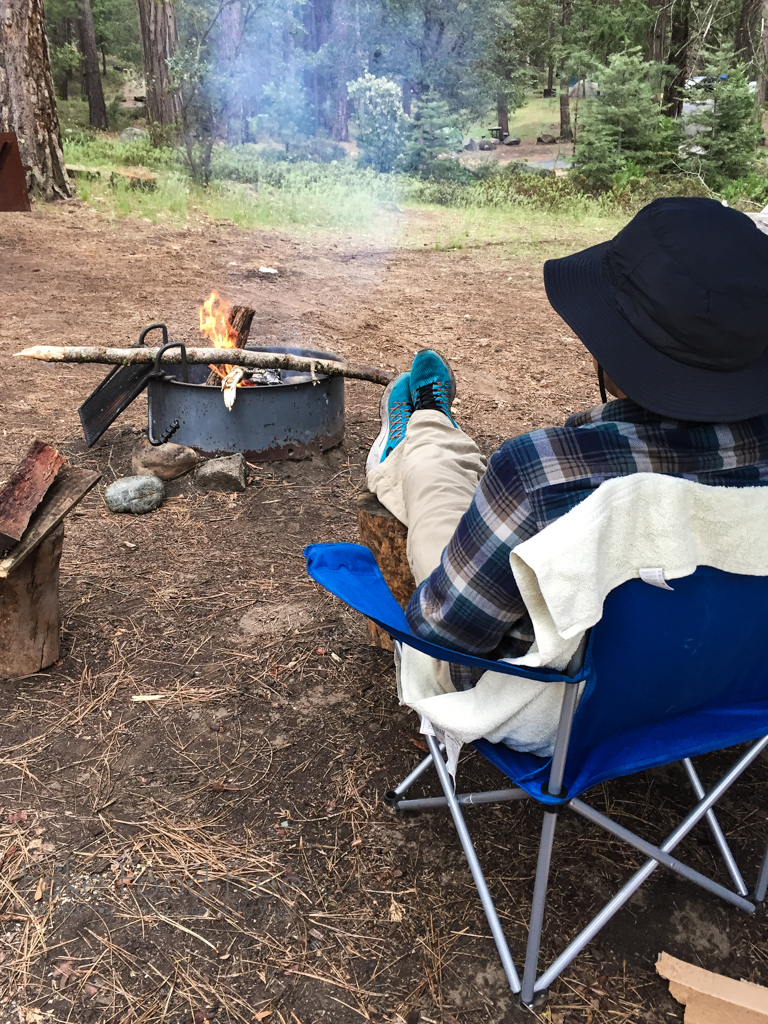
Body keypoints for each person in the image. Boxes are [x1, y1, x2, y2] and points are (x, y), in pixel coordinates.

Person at [366, 197, 768, 702]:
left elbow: (442, 632)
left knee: (437, 478)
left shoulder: (539, 471)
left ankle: (422, 428)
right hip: (729, 687)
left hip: (551, 710)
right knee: (501, 507)